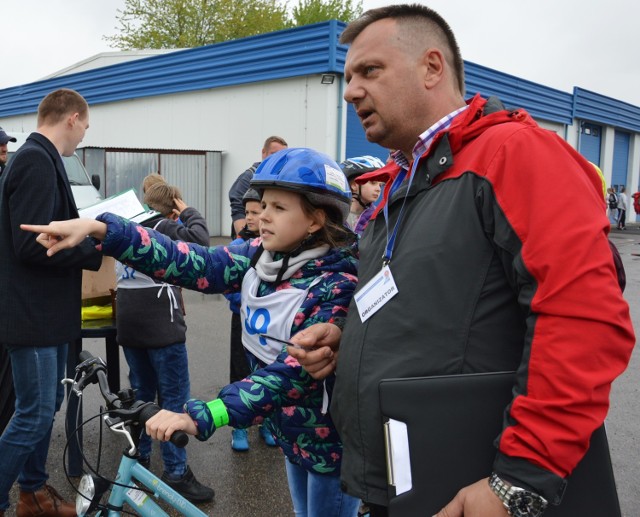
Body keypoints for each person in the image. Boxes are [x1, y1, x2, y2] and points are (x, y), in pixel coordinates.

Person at [286, 5, 635, 517]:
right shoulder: (404, 182)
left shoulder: (513, 154)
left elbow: (584, 320)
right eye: (348, 76)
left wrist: (518, 481)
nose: (350, 90)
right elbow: (437, 302)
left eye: (370, 71)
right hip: (402, 479)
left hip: (473, 486)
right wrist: (352, 335)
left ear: (432, 67)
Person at [22, 147, 361, 517]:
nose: (262, 218)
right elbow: (186, 259)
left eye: (278, 209)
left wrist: (201, 415)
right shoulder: (258, 257)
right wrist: (102, 229)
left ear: (315, 221)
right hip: (291, 433)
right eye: (263, 206)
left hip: (330, 448)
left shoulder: (335, 286)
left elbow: (288, 377)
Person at [0, 89, 102, 517]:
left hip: (48, 314)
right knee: (33, 415)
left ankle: (34, 493)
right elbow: (30, 244)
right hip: (33, 315)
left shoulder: (41, 159)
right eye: (85, 127)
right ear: (73, 118)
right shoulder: (35, 160)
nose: (83, 135)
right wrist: (93, 244)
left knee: (47, 408)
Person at [115, 181, 214, 503]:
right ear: (171, 208)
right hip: (161, 326)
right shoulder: (165, 225)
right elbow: (201, 239)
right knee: (173, 400)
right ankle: (175, 473)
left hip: (129, 321)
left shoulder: (128, 228)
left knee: (142, 397)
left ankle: (139, 462)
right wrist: (187, 210)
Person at [224, 187, 276, 451]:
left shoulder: (277, 246)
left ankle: (267, 423)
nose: (253, 217)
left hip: (270, 324)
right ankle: (240, 428)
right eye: (248, 213)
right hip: (242, 321)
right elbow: (228, 288)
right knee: (241, 373)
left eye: (258, 211)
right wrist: (245, 301)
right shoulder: (238, 246)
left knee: (268, 371)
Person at [228, 135, 288, 236]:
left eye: (282, 156)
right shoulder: (248, 177)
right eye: (274, 154)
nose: (278, 159)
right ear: (264, 152)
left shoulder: (283, 177)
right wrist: (244, 239)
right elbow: (237, 208)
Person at [340, 156, 385, 235]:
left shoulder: (378, 218)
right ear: (354, 185)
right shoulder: (334, 216)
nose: (378, 189)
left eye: (380, 185)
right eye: (373, 183)